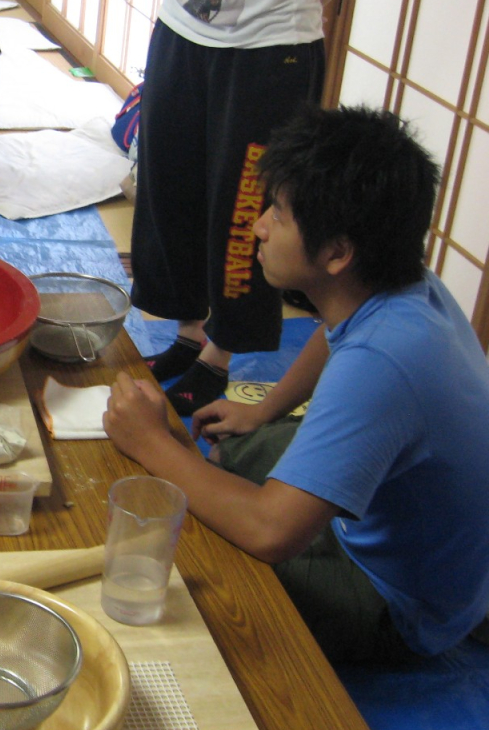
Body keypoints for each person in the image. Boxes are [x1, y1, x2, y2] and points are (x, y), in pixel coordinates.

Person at [105, 105, 489, 664]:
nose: (259, 228)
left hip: (397, 601)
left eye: (278, 216)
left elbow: (269, 532)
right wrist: (264, 410)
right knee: (228, 457)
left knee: (181, 561)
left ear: (337, 253)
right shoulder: (402, 284)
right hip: (420, 537)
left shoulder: (382, 360)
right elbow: (335, 333)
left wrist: (151, 443)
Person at [130, 0, 379, 414]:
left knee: (245, 206)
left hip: (274, 46)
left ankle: (218, 356)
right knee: (169, 181)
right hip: (183, 20)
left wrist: (301, 0)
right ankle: (188, 332)